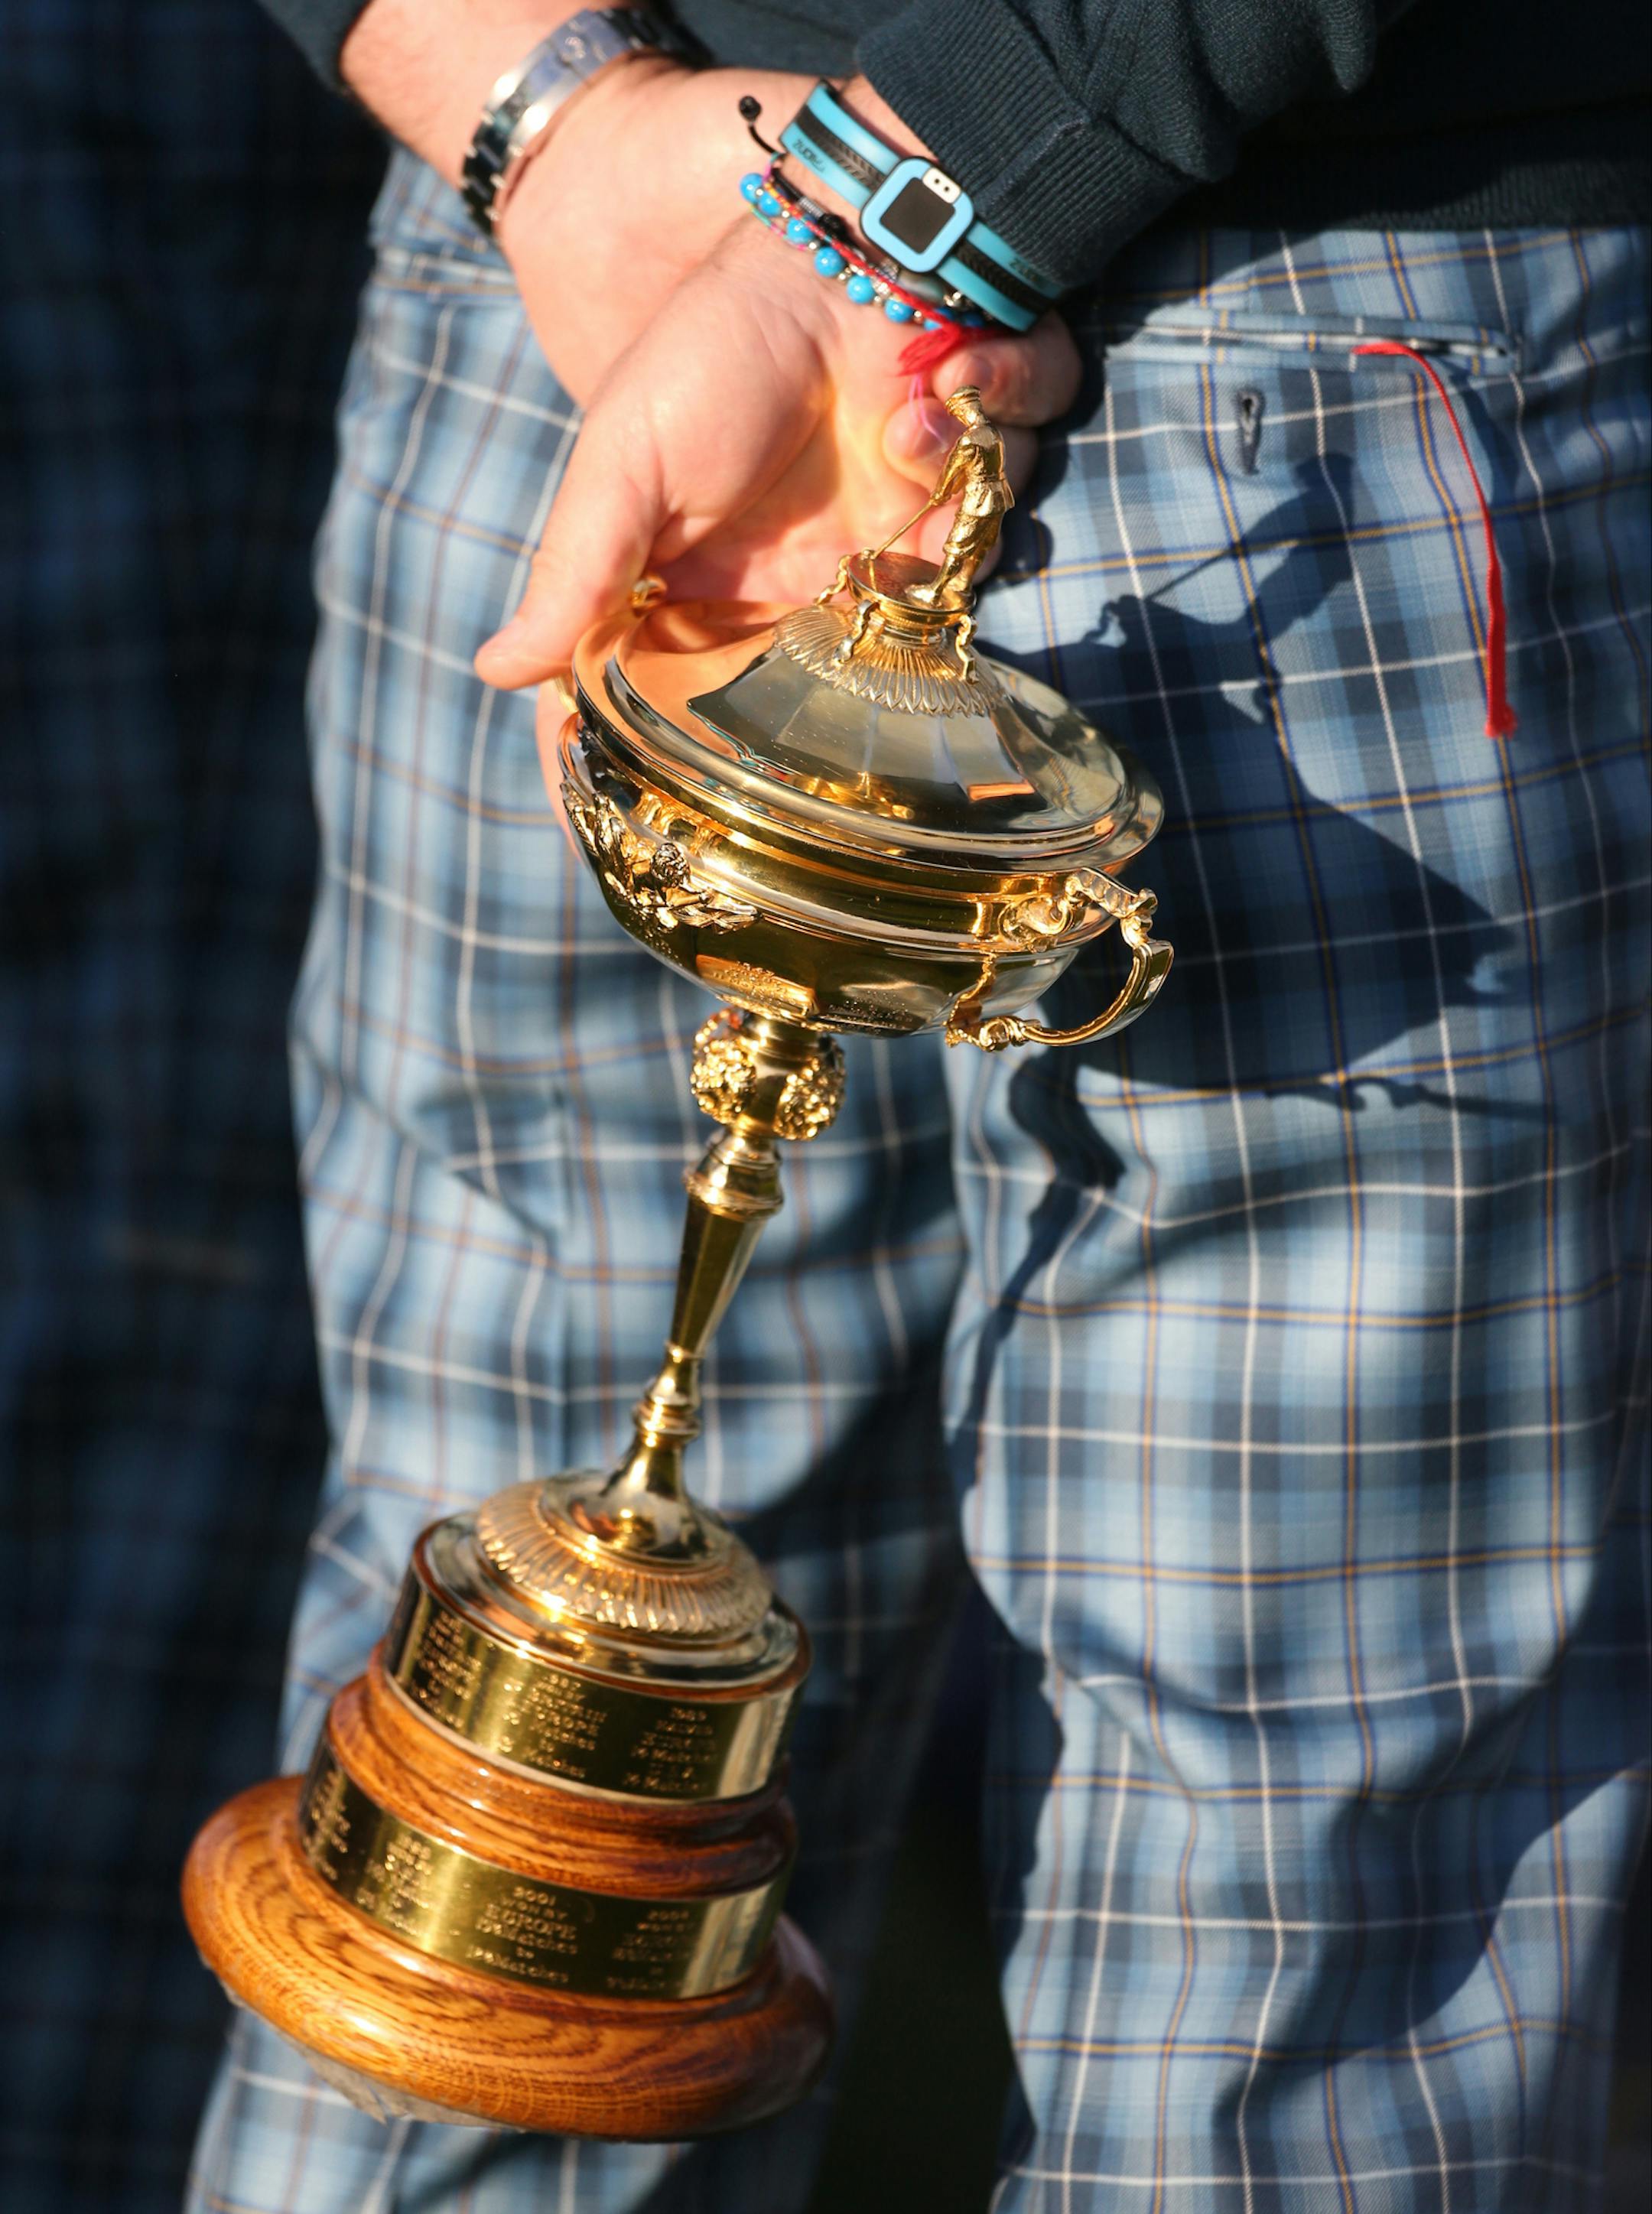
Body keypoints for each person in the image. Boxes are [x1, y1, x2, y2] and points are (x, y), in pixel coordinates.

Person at [188, 2, 1649, 2209]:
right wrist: (720, 179)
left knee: (495, 1848)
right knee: (1254, 1921)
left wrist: (541, 103)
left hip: (615, 299)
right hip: (1216, 359)